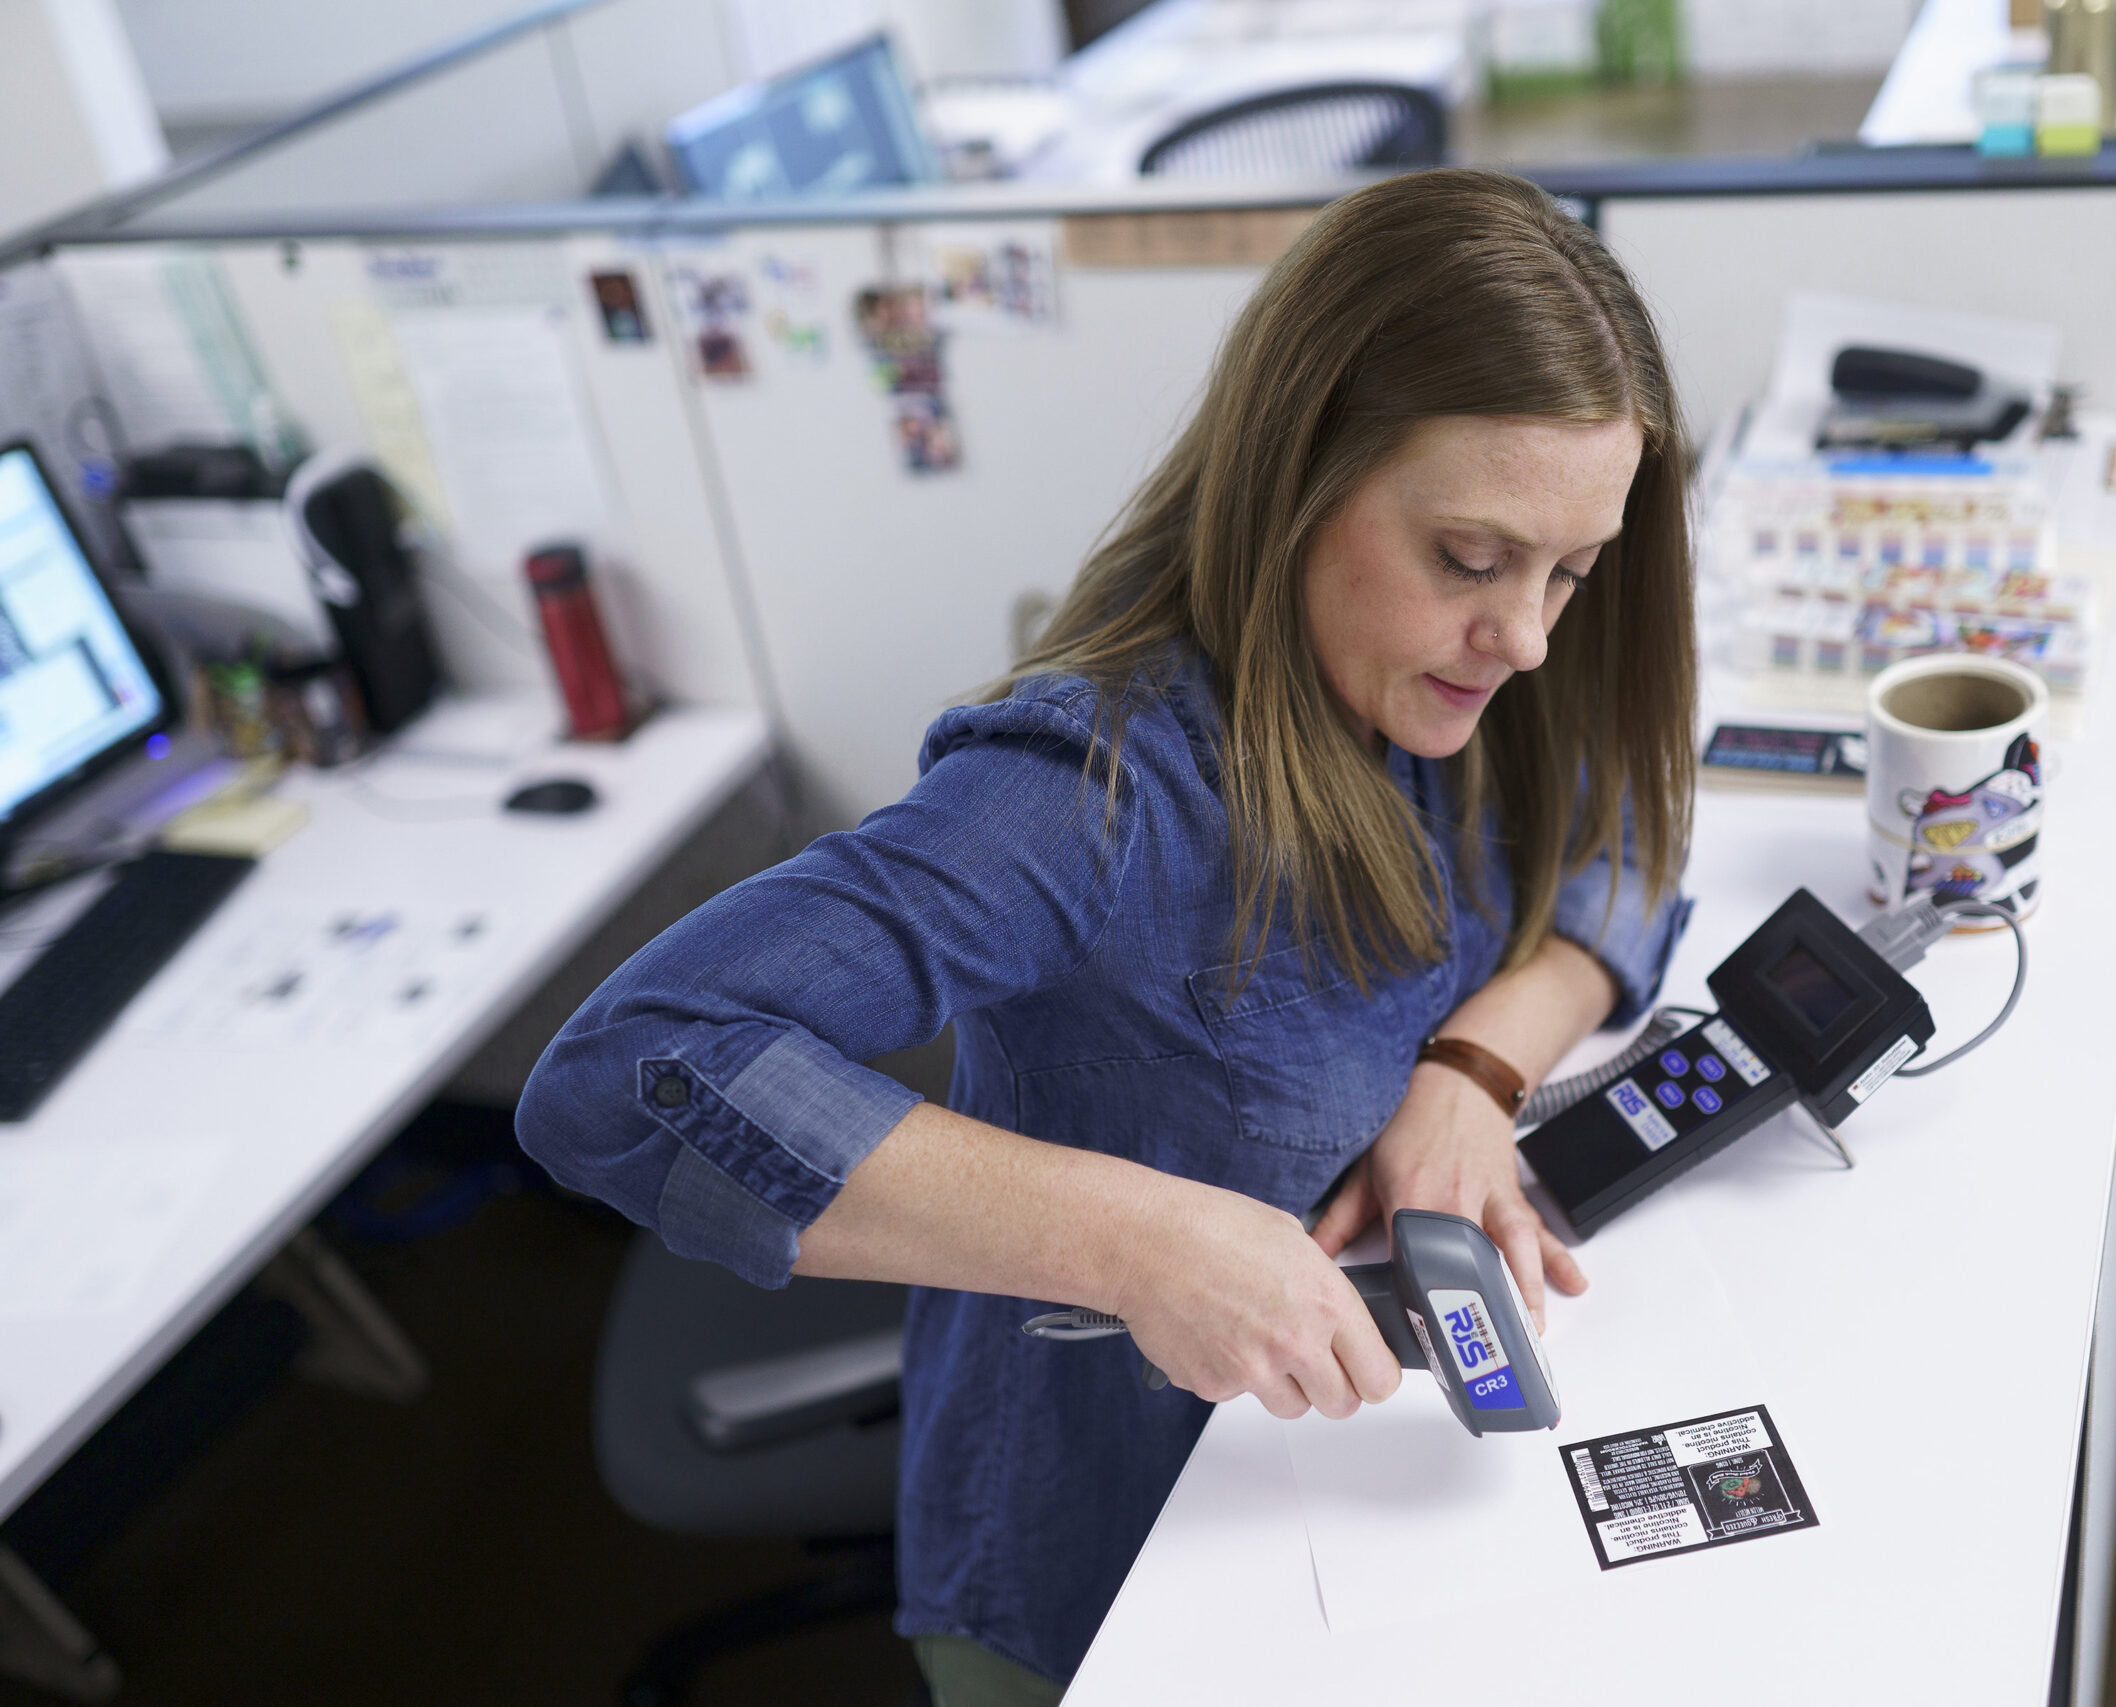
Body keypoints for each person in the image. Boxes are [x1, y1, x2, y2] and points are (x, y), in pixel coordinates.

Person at [516, 167, 1696, 1704]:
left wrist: (1470, 1069)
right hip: (1110, 1548)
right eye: (1469, 562)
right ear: (1295, 482)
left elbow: (1629, 850)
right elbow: (624, 1074)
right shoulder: (1098, 788)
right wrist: (1144, 1239)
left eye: (1572, 574)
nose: (1529, 637)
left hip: (1328, 1481)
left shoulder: (1464, 675)